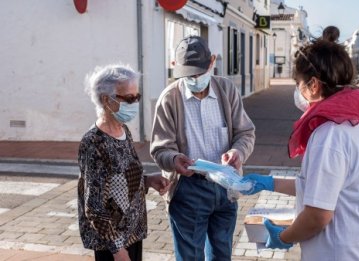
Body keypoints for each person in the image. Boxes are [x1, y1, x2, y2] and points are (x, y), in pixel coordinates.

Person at [241, 39, 359, 261]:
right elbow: (326, 187)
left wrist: (284, 237)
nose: (297, 89)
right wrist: (270, 183)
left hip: (342, 253)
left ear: (313, 85)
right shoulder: (358, 120)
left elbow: (317, 215)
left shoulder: (329, 135)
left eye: (297, 82)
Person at [150, 36, 255, 261]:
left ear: (212, 62)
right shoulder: (169, 98)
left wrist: (238, 152)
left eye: (199, 72)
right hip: (188, 188)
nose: (195, 79)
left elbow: (245, 133)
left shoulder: (226, 89)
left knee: (221, 255)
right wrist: (174, 159)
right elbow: (160, 149)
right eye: (188, 75)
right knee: (189, 257)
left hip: (226, 187)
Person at [78, 64, 171, 261]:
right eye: (129, 98)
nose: (135, 103)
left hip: (132, 233)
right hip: (112, 243)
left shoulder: (123, 130)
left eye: (136, 97)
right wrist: (117, 250)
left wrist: (147, 181)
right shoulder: (94, 142)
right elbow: (94, 206)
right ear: (106, 100)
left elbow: (118, 178)